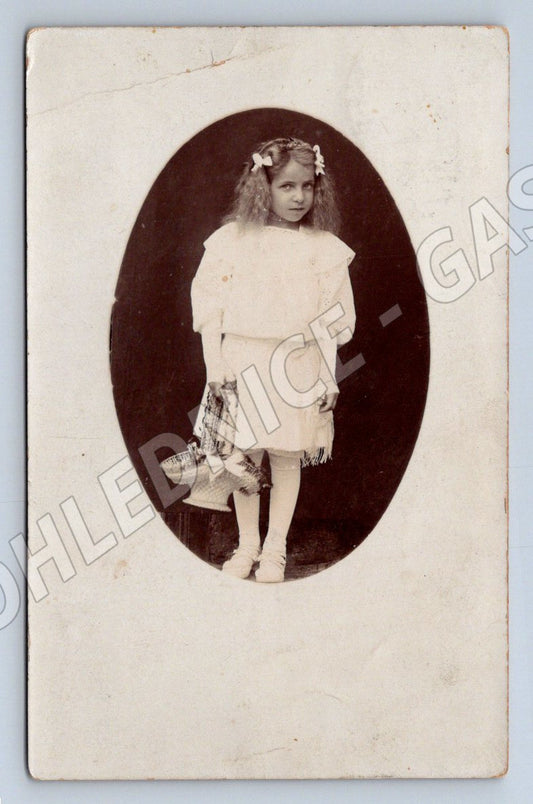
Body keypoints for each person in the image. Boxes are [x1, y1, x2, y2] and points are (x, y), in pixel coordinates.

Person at [190, 137, 355, 582]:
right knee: (244, 454)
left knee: (286, 455)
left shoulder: (324, 248)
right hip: (241, 356)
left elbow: (331, 321)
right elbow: (209, 306)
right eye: (286, 186)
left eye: (307, 186)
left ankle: (275, 548)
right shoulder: (233, 241)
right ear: (263, 185)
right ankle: (247, 544)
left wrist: (328, 378)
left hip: (296, 363)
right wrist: (214, 366)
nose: (298, 196)